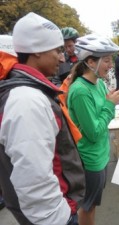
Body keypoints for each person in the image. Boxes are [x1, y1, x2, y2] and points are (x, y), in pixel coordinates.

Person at [0, 12, 85, 225]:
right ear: (36, 51)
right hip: (52, 217)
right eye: (57, 50)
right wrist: (59, 216)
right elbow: (32, 177)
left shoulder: (28, 93)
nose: (62, 57)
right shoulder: (27, 100)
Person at [67, 34, 119, 225]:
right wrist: (110, 105)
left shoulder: (99, 83)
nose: (111, 65)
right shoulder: (80, 91)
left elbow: (103, 114)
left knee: (92, 204)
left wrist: (110, 101)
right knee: (88, 207)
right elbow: (93, 133)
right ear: (91, 61)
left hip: (102, 154)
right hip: (91, 159)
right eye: (107, 60)